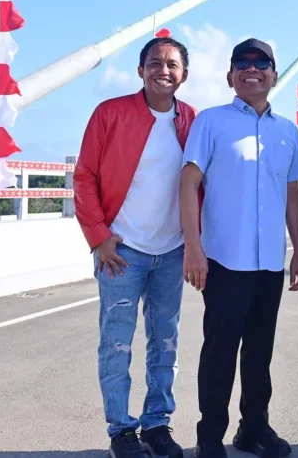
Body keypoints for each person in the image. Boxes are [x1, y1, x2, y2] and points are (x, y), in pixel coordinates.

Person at [179, 38, 298, 458]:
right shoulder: (211, 123)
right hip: (223, 260)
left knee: (259, 353)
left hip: (270, 262)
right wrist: (193, 247)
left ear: (274, 74)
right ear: (230, 75)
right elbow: (188, 183)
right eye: (242, 63)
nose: (252, 69)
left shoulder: (286, 131)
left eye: (262, 63)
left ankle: (254, 429)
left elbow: (292, 194)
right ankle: (210, 437)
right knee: (219, 352)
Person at [73, 35, 196, 458]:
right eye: (155, 63)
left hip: (172, 250)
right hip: (121, 252)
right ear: (140, 70)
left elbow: (203, 184)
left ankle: (157, 424)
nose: (164, 70)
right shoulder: (110, 114)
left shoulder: (191, 120)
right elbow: (85, 176)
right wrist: (99, 236)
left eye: (172, 64)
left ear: (185, 74)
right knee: (117, 343)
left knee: (166, 342)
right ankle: (121, 431)